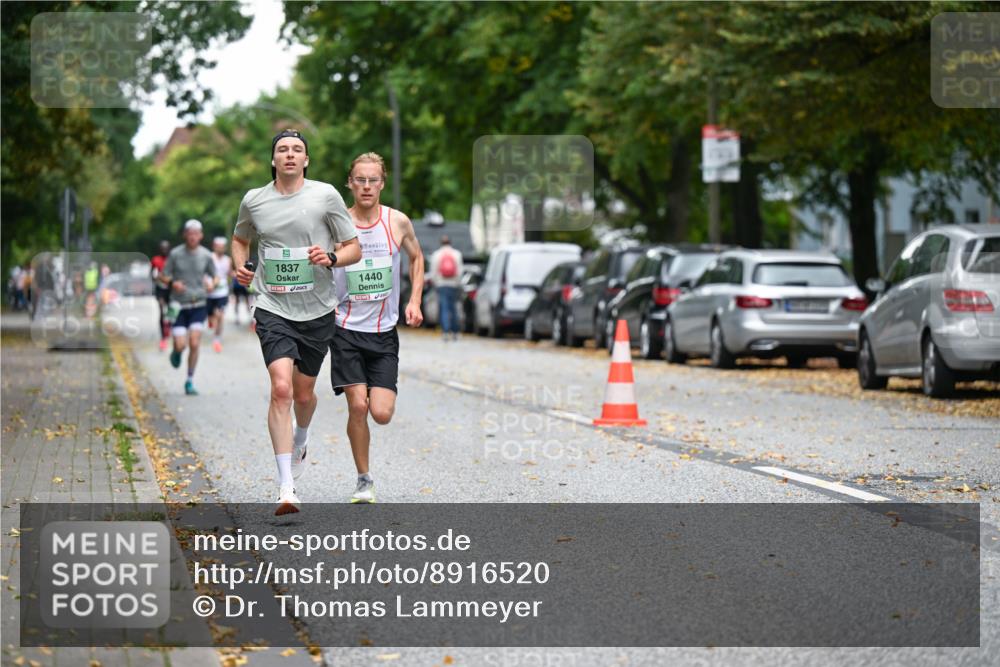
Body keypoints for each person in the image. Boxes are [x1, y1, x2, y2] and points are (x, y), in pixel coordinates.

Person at [232, 129, 361, 516]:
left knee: (304, 395)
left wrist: (332, 258)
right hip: (272, 306)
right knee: (282, 389)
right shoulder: (254, 200)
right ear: (273, 160)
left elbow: (353, 247)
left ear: (306, 160)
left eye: (297, 150)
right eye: (283, 149)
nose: (290, 154)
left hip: (317, 309)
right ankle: (286, 487)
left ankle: (301, 438)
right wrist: (241, 267)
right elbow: (240, 239)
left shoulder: (325, 196)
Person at [331, 152, 424, 504]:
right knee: (358, 406)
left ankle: (364, 473)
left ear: (382, 183)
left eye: (373, 180)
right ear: (350, 183)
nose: (366, 186)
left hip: (384, 332)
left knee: (381, 413)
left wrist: (415, 300)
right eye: (360, 180)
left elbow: (417, 257)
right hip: (344, 328)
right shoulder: (337, 223)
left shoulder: (397, 222)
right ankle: (364, 479)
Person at [161, 220, 216, 396]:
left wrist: (212, 284)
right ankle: (176, 352)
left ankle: (189, 380)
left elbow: (215, 277)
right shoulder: (175, 254)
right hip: (178, 305)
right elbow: (163, 276)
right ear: (185, 235)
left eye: (196, 233)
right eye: (190, 233)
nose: (193, 237)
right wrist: (173, 283)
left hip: (198, 304)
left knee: (194, 342)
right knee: (180, 345)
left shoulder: (206, 255)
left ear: (201, 235)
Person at [429, 234, 463, 340]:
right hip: (453, 284)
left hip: (441, 284)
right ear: (450, 242)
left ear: (441, 243)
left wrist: (435, 282)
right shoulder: (457, 254)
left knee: (444, 308)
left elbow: (433, 271)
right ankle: (455, 331)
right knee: (453, 308)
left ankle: (445, 331)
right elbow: (460, 271)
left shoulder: (436, 254)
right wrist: (457, 283)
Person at [207, 237, 232, 352]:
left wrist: (237, 274)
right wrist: (207, 284)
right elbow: (203, 272)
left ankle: (217, 340)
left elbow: (229, 273)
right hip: (209, 291)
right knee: (212, 317)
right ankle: (210, 319)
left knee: (220, 315)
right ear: (214, 247)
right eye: (218, 246)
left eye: (222, 247)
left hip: (222, 292)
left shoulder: (228, 260)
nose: (220, 249)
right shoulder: (209, 257)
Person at [150, 240, 171, 350]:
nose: (164, 250)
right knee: (162, 309)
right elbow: (151, 274)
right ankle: (163, 336)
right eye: (162, 248)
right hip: (160, 289)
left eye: (166, 248)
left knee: (172, 311)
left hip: (171, 289)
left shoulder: (172, 259)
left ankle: (169, 326)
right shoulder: (155, 260)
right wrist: (155, 277)